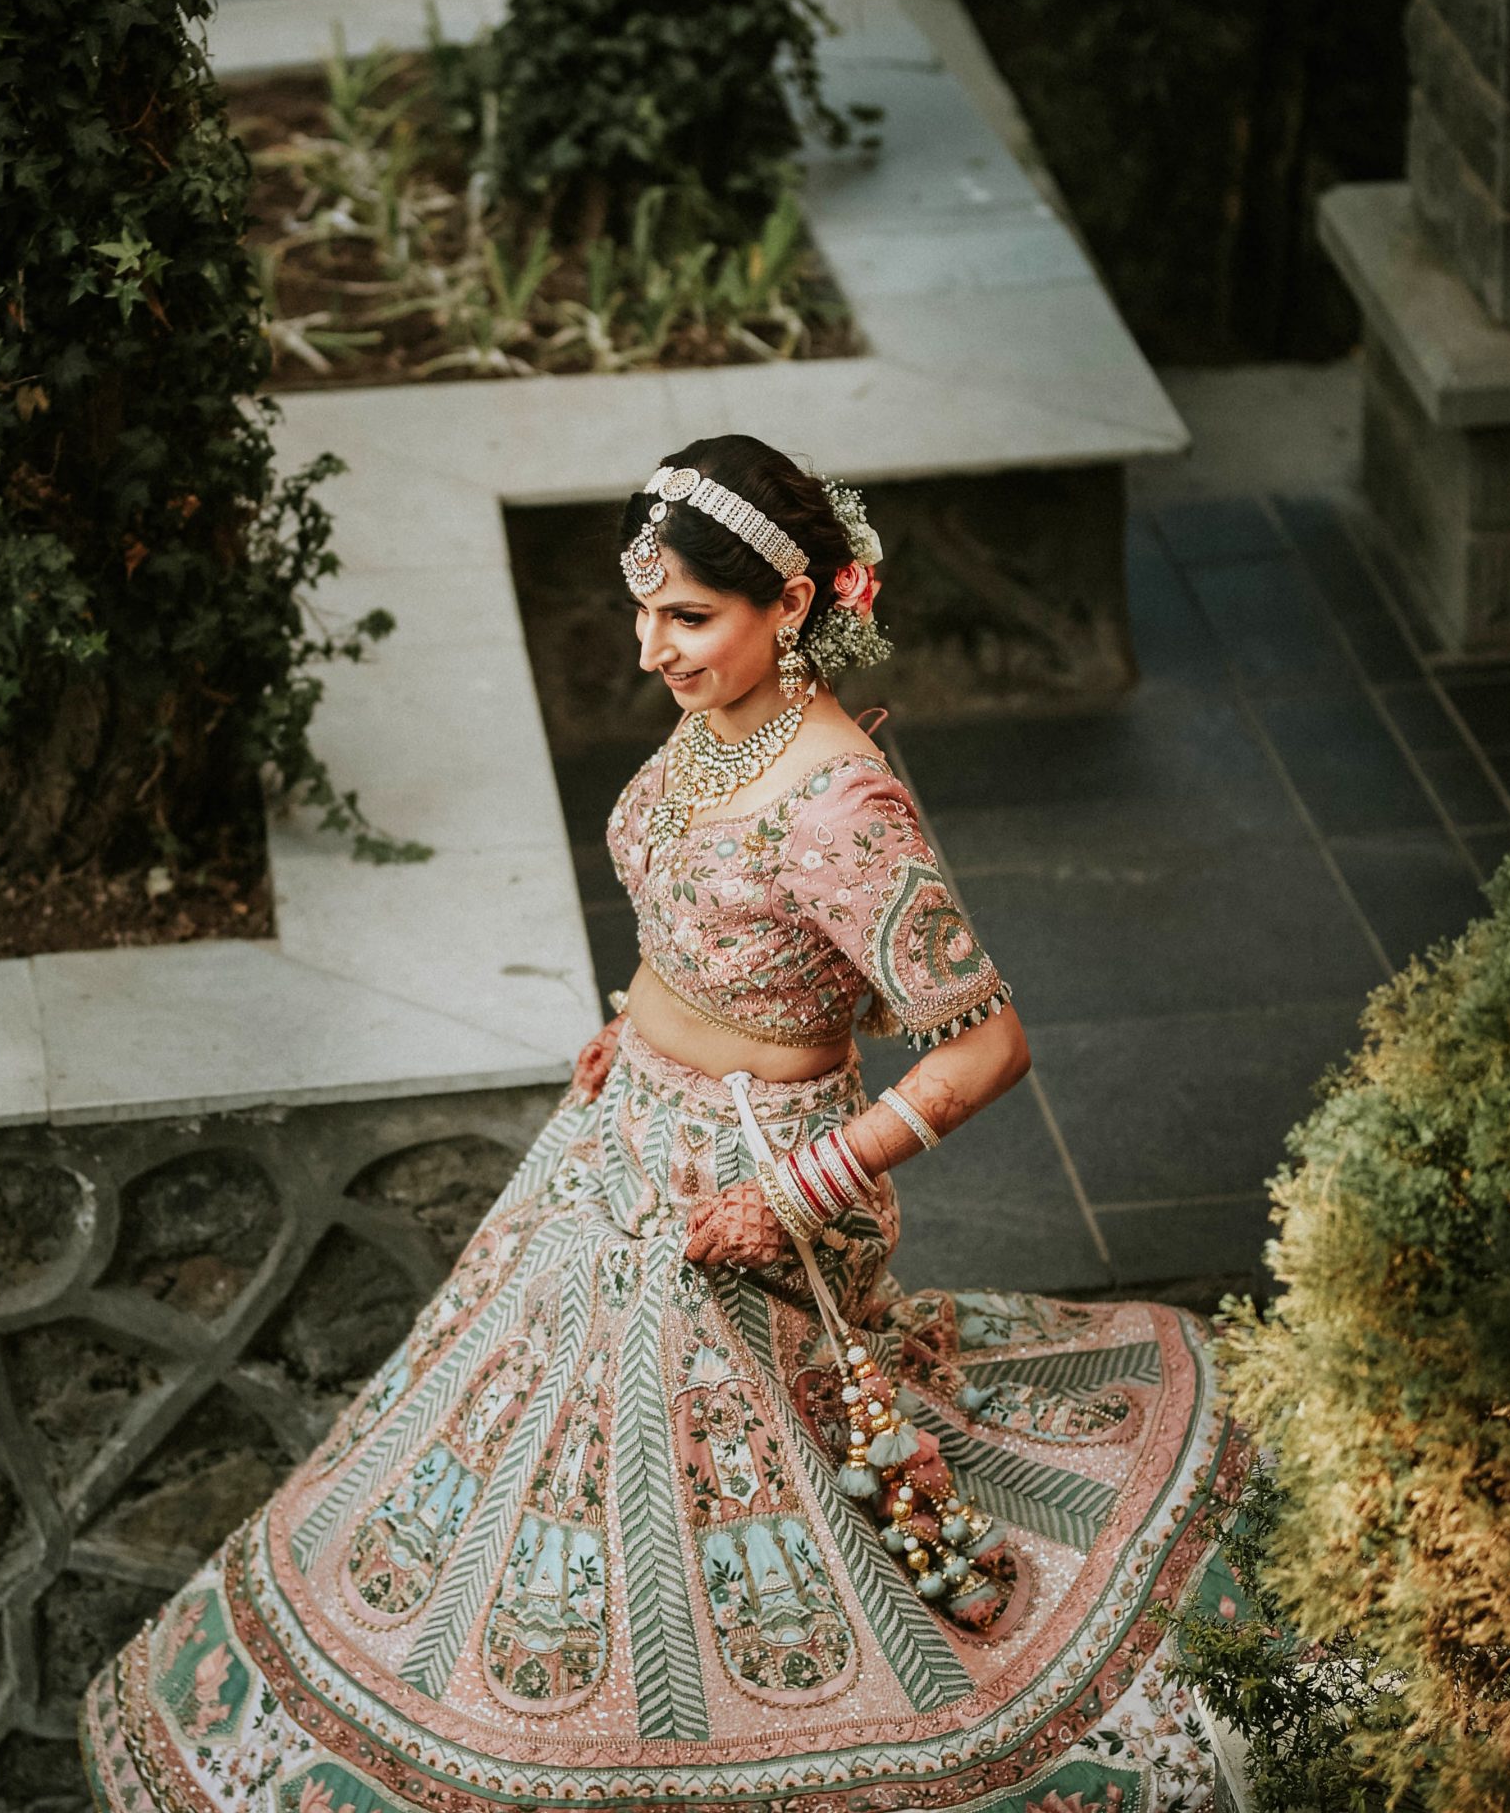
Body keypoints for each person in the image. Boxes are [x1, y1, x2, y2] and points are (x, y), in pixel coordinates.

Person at [82, 434, 1248, 1813]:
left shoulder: (840, 807)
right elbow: (698, 901)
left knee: (705, 1485)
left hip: (751, 1181)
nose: (652, 650)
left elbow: (988, 1044)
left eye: (687, 616)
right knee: (543, 1458)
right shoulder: (717, 726)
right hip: (625, 1128)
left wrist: (804, 1187)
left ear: (795, 607)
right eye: (644, 611)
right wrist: (635, 1017)